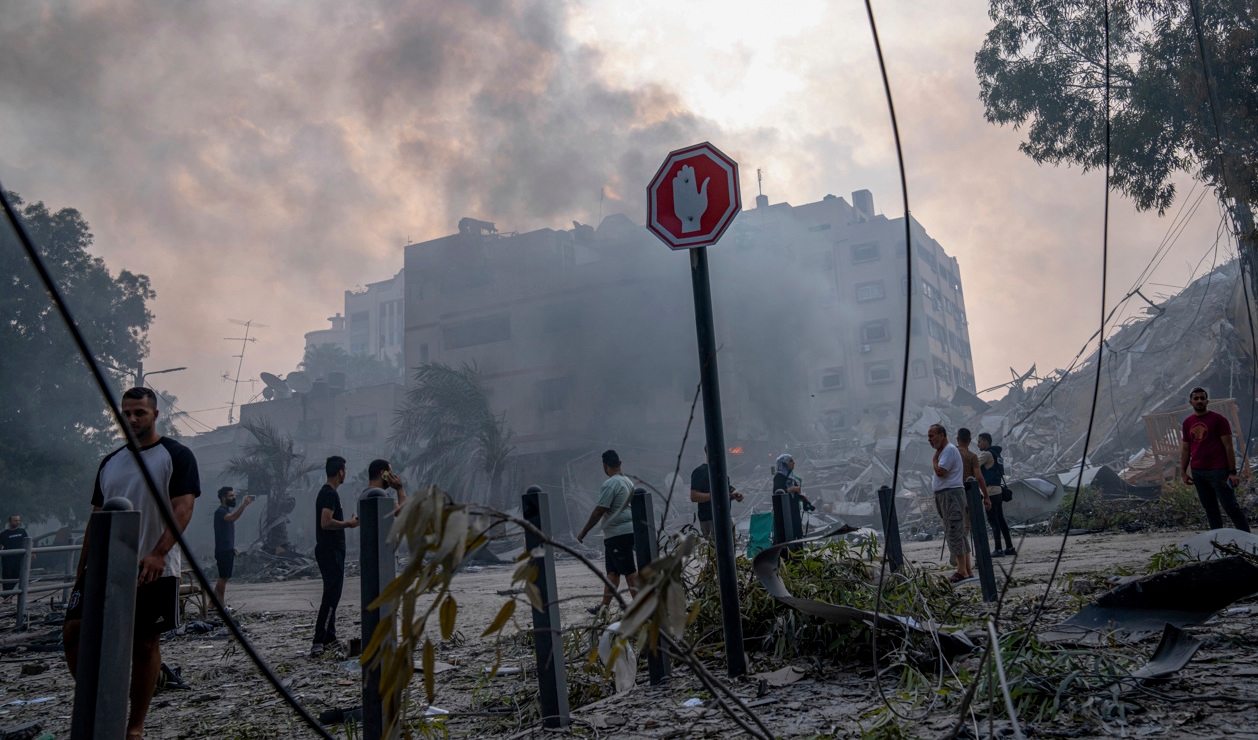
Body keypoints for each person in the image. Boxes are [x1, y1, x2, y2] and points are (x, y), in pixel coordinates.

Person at [63, 387, 200, 740]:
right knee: (74, 632)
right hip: (104, 566)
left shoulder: (176, 455)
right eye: (126, 413)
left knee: (144, 645)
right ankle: (100, 700)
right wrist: (82, 570)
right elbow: (97, 517)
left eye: (140, 412)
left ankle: (134, 726)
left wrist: (158, 553)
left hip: (152, 565)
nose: (132, 419)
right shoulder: (110, 462)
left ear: (155, 415)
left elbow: (183, 509)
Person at [576, 450, 639, 615]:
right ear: (620, 463)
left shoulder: (611, 484)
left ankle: (641, 608)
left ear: (605, 466)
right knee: (612, 572)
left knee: (630, 571)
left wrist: (584, 532)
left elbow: (599, 511)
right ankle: (604, 608)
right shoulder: (628, 482)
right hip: (623, 533)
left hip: (618, 535)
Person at [1181, 387, 1250, 532]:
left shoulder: (1219, 420)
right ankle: (1217, 540)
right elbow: (1186, 449)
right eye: (1196, 398)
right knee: (1210, 510)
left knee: (1231, 507)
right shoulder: (1187, 423)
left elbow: (1228, 447)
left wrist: (1232, 472)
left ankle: (1248, 539)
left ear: (1207, 401)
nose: (1199, 401)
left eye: (1202, 398)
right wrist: (1183, 472)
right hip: (1198, 472)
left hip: (1218, 471)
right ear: (1191, 402)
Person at [312, 456, 359, 656]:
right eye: (345, 470)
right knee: (331, 596)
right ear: (340, 471)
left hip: (331, 550)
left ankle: (329, 638)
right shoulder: (329, 493)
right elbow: (326, 522)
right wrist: (348, 524)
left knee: (333, 595)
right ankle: (319, 640)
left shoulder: (327, 492)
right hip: (330, 550)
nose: (345, 473)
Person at [928, 424, 971, 583]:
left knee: (954, 531)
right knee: (958, 531)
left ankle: (961, 571)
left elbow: (941, 471)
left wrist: (934, 460)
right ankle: (967, 569)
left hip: (951, 495)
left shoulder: (948, 450)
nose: (929, 439)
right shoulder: (945, 451)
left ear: (942, 435)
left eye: (932, 436)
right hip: (946, 495)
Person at [690, 446, 744, 538]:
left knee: (731, 544)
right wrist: (715, 496)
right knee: (715, 545)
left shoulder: (721, 471)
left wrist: (733, 496)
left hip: (725, 517)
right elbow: (694, 496)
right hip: (710, 519)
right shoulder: (700, 472)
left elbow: (724, 493)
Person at [213, 486, 253, 605]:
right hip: (222, 550)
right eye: (231, 496)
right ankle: (221, 604)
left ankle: (212, 603)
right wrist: (244, 505)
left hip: (227, 549)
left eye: (233, 495)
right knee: (223, 577)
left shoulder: (226, 511)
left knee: (225, 577)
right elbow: (232, 518)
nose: (234, 497)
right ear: (223, 498)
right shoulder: (220, 512)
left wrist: (231, 548)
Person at [977, 433, 1015, 556]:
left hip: (990, 492)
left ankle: (998, 549)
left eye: (979, 442)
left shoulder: (987, 454)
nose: (978, 444)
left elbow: (974, 465)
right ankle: (1009, 547)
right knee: (1001, 520)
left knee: (993, 521)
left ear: (986, 441)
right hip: (998, 491)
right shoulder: (997, 454)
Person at [2, 515, 30, 599]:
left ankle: (10, 595)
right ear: (10, 522)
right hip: (8, 560)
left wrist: (32, 553)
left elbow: (28, 542)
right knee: (7, 578)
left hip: (20, 559)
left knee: (18, 576)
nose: (17, 522)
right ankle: (7, 597)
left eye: (19, 520)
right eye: (15, 520)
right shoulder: (4, 534)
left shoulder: (22, 531)